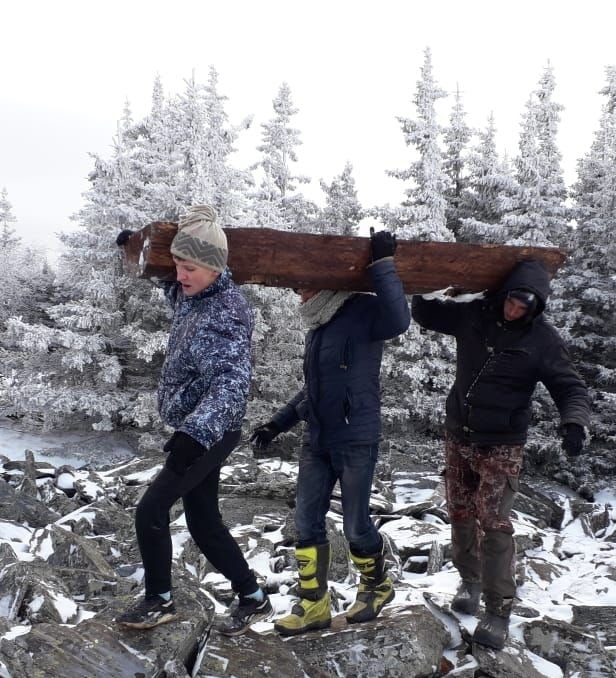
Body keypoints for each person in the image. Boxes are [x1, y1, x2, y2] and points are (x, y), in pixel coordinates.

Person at [411, 258, 591, 649]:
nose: (514, 310)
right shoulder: (476, 315)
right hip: (459, 434)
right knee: (459, 511)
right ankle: (469, 581)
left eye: (524, 306)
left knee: (493, 523)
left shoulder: (543, 340)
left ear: (535, 308)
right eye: (512, 301)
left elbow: (570, 386)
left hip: (503, 443)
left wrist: (574, 422)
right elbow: (425, 314)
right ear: (504, 295)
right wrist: (429, 287)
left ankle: (498, 610)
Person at [113, 205, 271, 636]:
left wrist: (194, 436)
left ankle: (159, 600)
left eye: (191, 269)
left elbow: (230, 384)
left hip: (211, 430)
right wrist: (138, 253)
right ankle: (253, 598)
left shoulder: (227, 313)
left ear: (215, 268)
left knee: (151, 509)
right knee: (203, 522)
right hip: (200, 427)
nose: (182, 276)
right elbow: (172, 287)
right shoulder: (193, 294)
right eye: (179, 266)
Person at [251, 229, 410, 636]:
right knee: (306, 522)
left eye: (303, 283)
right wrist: (277, 423)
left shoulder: (361, 311)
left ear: (327, 280)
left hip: (356, 436)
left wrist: (384, 264)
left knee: (356, 524)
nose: (297, 292)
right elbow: (314, 389)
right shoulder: (318, 326)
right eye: (295, 286)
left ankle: (377, 586)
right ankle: (313, 605)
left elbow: (399, 319)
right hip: (318, 440)